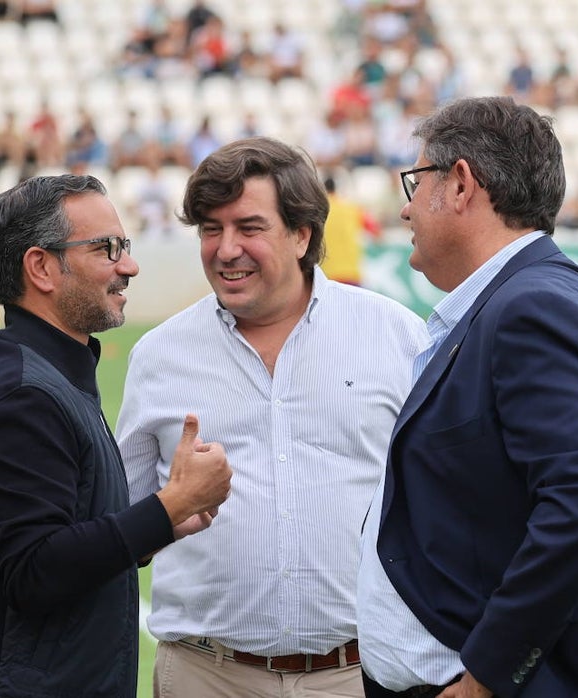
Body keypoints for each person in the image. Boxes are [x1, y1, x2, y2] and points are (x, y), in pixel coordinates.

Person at [358, 97, 578, 698]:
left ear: (459, 184)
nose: (404, 208)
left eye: (414, 181)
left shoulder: (532, 308)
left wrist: (487, 673)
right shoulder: (535, 296)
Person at [116, 137, 428, 698]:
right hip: (205, 676)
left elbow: (443, 508)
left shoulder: (396, 337)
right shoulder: (160, 357)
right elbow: (117, 528)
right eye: (210, 229)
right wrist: (170, 510)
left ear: (302, 234)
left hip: (361, 675)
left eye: (249, 228)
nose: (226, 249)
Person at [0, 174, 232, 697]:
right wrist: (168, 504)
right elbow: (35, 571)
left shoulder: (49, 374)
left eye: (124, 247)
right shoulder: (26, 396)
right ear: (41, 267)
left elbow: (67, 533)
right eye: (107, 249)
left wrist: (163, 522)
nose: (128, 265)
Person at [319, 175, 381, 285]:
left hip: (326, 274)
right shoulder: (352, 208)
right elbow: (375, 231)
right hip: (351, 272)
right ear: (336, 189)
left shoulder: (318, 210)